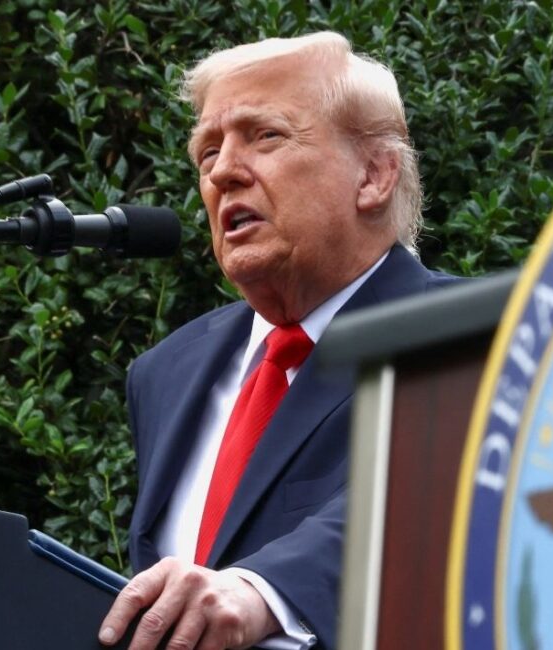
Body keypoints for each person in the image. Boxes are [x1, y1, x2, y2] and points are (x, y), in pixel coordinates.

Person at [99, 32, 455, 650]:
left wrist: (262, 590)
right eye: (207, 152)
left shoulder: (475, 330)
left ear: (373, 174)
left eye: (265, 136)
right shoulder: (166, 373)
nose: (223, 173)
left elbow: (438, 501)